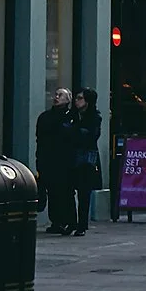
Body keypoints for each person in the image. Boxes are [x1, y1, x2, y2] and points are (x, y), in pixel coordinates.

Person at [35, 89, 74, 234]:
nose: (56, 97)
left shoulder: (71, 117)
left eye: (61, 95)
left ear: (68, 100)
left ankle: (66, 220)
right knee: (51, 191)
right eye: (56, 94)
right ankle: (56, 221)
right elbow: (40, 139)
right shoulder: (45, 117)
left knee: (64, 192)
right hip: (48, 158)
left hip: (64, 160)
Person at [65, 89, 102, 236]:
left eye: (80, 98)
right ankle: (71, 222)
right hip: (72, 155)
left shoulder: (94, 117)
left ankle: (81, 224)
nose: (76, 101)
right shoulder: (72, 115)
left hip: (87, 157)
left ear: (87, 101)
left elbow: (91, 135)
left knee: (83, 192)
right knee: (68, 190)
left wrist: (75, 131)